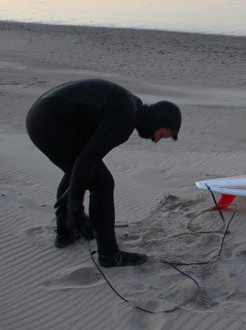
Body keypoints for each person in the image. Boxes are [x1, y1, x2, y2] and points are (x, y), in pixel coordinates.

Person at [26, 79, 181, 268]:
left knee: (83, 170)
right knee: (103, 183)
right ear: (159, 120)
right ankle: (109, 255)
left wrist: (74, 202)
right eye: (162, 135)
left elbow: (82, 161)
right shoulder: (124, 119)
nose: (156, 140)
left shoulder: (130, 106)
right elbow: (86, 161)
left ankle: (65, 233)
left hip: (42, 115)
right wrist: (76, 207)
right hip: (49, 122)